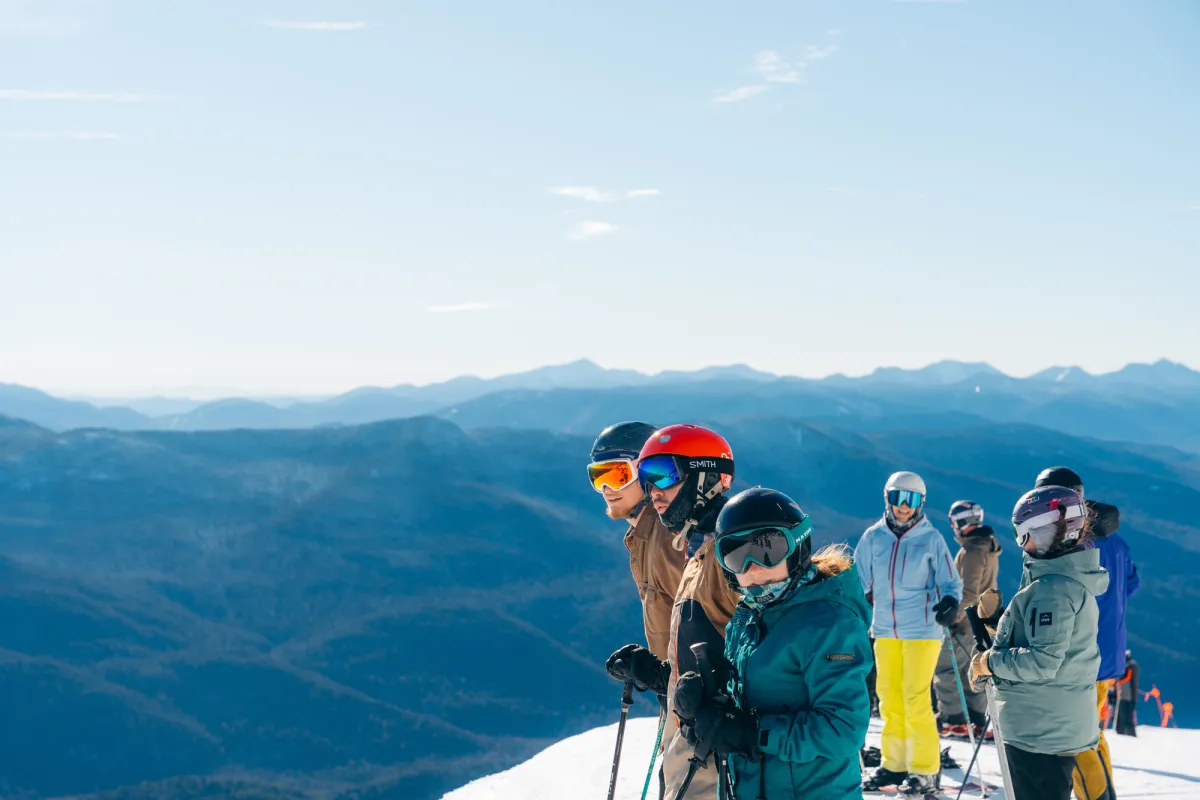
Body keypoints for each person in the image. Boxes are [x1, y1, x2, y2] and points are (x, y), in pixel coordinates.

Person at [672, 488, 872, 799]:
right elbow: (747, 696)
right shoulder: (750, 613)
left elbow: (842, 730)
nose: (753, 567)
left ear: (797, 548)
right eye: (736, 554)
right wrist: (703, 701)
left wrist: (752, 733)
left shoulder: (829, 622)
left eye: (768, 549)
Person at [604, 423, 740, 800]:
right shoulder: (693, 549)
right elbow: (705, 638)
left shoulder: (733, 555)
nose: (654, 492)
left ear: (708, 477)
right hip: (693, 722)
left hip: (718, 738)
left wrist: (733, 714)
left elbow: (757, 650)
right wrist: (663, 676)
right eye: (646, 479)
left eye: (664, 475)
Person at [968, 485, 1109, 800]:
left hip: (1038, 730)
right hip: (1052, 722)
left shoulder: (1051, 591)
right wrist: (999, 624)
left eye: (1023, 533)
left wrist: (990, 661)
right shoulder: (1068, 582)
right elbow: (1054, 644)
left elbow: (1042, 662)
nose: (1021, 543)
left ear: (1046, 532)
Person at [855, 471, 963, 794]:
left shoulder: (931, 539)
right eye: (898, 499)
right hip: (885, 629)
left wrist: (950, 602)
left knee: (915, 698)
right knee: (889, 700)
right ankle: (894, 764)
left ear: (920, 503)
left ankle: (926, 769)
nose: (904, 507)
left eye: (911, 500)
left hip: (923, 630)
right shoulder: (873, 538)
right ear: (887, 499)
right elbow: (857, 583)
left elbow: (951, 581)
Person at [1035, 466, 1136, 800]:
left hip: (1081, 654)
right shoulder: (1114, 540)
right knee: (1088, 731)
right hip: (1104, 652)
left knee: (1078, 734)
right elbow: (1130, 583)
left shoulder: (1077, 542)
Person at [591, 422, 686, 666]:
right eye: (598, 476)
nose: (607, 488)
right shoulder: (643, 537)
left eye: (618, 474)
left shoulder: (670, 540)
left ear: (648, 473)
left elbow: (715, 624)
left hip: (700, 698)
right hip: (681, 696)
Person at [934, 500, 1000, 740]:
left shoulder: (972, 551)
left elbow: (969, 592)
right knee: (969, 672)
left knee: (945, 667)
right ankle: (976, 720)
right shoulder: (987, 548)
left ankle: (953, 720)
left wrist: (953, 618)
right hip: (981, 622)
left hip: (964, 624)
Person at [1115, 650, 1138, 736]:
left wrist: (1117, 682)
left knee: (1127, 715)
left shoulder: (1131, 665)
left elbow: (1128, 677)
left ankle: (1130, 733)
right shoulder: (1128, 665)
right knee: (1121, 715)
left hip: (1127, 695)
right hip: (1123, 695)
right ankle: (1121, 731)